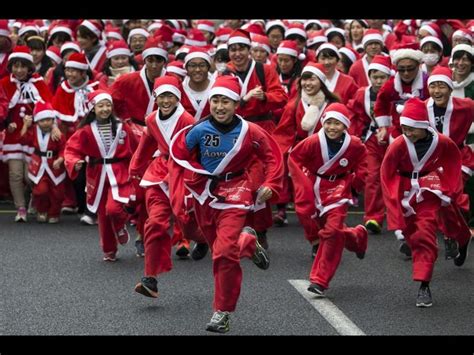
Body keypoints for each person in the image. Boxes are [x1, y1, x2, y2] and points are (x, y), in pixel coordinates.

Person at [168, 75, 283, 333]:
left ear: (237, 104)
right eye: (216, 100)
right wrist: (183, 188)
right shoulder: (197, 130)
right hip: (205, 194)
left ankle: (222, 311)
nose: (220, 107)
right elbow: (179, 157)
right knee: (212, 244)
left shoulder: (251, 131)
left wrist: (271, 185)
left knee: (222, 253)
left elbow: (273, 157)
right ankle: (249, 243)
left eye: (226, 101)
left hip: (237, 192)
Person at [380, 97, 471, 308]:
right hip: (405, 192)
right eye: (404, 128)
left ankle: (424, 285)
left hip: (429, 188)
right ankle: (462, 239)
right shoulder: (398, 145)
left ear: (423, 127)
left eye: (412, 129)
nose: (407, 133)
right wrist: (392, 201)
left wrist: (449, 189)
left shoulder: (441, 142)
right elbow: (386, 173)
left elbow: (453, 161)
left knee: (425, 232)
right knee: (412, 234)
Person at [130, 76, 207, 298]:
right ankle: (150, 278)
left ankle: (201, 239)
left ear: (178, 97)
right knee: (155, 222)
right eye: (161, 96)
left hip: (183, 173)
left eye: (170, 96)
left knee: (187, 222)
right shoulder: (152, 119)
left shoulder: (188, 120)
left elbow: (196, 152)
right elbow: (147, 143)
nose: (166, 100)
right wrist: (135, 168)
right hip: (158, 172)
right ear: (155, 97)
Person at [288, 102, 368, 297]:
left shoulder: (354, 144)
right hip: (313, 185)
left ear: (345, 126)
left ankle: (319, 280)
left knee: (331, 232)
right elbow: (294, 159)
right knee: (309, 217)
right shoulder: (312, 142)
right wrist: (302, 183)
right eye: (329, 122)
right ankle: (356, 237)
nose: (332, 127)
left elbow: (363, 164)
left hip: (338, 190)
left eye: (338, 123)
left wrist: (356, 184)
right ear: (323, 122)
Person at [224, 29, 288, 249]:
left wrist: (265, 97)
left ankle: (260, 229)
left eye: (241, 48)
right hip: (234, 130)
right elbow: (219, 103)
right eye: (233, 49)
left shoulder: (264, 70)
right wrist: (244, 99)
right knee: (236, 180)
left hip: (261, 127)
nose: (237, 53)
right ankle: (239, 228)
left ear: (249, 50)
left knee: (260, 181)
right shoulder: (225, 73)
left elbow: (281, 97)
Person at [64, 90, 138, 261]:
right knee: (103, 215)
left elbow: (137, 147)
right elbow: (71, 149)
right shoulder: (85, 130)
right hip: (97, 176)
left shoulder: (121, 127)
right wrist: (75, 161)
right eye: (100, 106)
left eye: (108, 105)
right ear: (93, 109)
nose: (105, 109)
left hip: (119, 172)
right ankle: (109, 249)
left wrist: (138, 167)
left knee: (113, 209)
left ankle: (120, 226)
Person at [273, 62, 340, 234]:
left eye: (313, 79)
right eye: (305, 79)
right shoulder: (293, 105)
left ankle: (328, 231)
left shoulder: (333, 104)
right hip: (302, 156)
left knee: (325, 199)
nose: (308, 83)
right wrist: (282, 153)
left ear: (322, 82)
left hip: (327, 155)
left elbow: (345, 128)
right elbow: (284, 131)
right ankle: (316, 237)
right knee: (305, 199)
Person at [424, 66, 474, 259]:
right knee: (437, 197)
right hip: (432, 160)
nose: (437, 91)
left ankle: (457, 234)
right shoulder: (421, 107)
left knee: (452, 196)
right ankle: (453, 236)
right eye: (433, 86)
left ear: (451, 89)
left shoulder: (466, 106)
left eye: (442, 86)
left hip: (459, 157)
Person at [0, 45, 53, 222]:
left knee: (30, 175)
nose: (19, 70)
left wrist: (37, 117)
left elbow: (47, 105)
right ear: (11, 67)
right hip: (13, 136)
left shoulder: (38, 83)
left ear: (29, 67)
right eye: (16, 66)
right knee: (14, 174)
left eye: (23, 66)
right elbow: (2, 106)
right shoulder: (4, 83)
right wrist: (8, 122)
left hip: (34, 136)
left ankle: (33, 199)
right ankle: (20, 207)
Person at [347, 55, 392, 234]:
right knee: (372, 176)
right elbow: (353, 112)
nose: (379, 81)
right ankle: (373, 217)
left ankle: (406, 216)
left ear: (389, 77)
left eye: (382, 77)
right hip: (372, 139)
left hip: (395, 139)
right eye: (375, 77)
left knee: (396, 178)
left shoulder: (395, 93)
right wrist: (355, 134)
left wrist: (389, 130)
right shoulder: (362, 93)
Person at [19, 101, 66, 223]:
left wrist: (60, 159)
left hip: (54, 166)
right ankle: (41, 210)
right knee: (40, 191)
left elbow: (64, 148)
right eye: (42, 120)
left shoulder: (57, 132)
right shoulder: (34, 130)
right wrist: (25, 125)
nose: (45, 123)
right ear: (37, 121)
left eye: (48, 120)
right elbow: (23, 140)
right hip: (39, 165)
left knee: (58, 193)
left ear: (52, 120)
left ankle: (54, 213)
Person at [180, 47, 213, 121]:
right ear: (186, 68)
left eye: (202, 65)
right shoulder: (180, 90)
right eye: (193, 65)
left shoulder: (217, 87)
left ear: (208, 67)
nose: (197, 69)